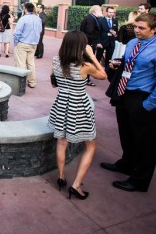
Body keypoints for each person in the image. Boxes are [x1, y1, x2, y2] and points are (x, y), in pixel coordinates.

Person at [101, 13, 156, 192]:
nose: (136, 30)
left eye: (142, 28)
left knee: (145, 142)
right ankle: (126, 163)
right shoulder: (133, 43)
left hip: (143, 98)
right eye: (136, 27)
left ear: (155, 30)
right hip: (124, 93)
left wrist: (148, 105)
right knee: (126, 133)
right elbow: (131, 64)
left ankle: (139, 181)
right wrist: (118, 64)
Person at [48, 31, 107, 200]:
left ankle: (61, 177)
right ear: (82, 46)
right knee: (90, 146)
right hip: (79, 106)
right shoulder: (84, 66)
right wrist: (92, 55)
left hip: (61, 103)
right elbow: (104, 75)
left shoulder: (55, 61)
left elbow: (54, 84)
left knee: (61, 141)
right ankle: (76, 185)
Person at [13, 3, 43, 89]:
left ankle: (21, 83)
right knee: (31, 63)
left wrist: (15, 43)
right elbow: (40, 30)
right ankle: (32, 82)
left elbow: (17, 33)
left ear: (25, 9)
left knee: (21, 63)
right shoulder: (38, 19)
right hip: (33, 44)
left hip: (22, 43)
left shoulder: (23, 19)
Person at [79, 5, 103, 86]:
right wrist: (95, 43)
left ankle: (84, 77)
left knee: (86, 61)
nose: (101, 12)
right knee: (88, 61)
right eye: (100, 10)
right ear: (94, 11)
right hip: (88, 45)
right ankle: (85, 79)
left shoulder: (92, 18)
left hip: (88, 44)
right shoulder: (91, 19)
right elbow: (89, 32)